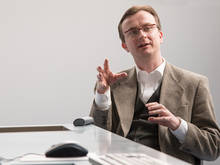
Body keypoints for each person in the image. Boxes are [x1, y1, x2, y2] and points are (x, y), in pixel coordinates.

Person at [90, 5, 220, 165]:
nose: (142, 35)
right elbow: (96, 139)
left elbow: (213, 148)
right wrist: (102, 95)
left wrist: (177, 125)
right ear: (125, 46)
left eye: (147, 28)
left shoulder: (194, 83)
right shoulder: (113, 84)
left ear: (160, 35)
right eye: (133, 32)